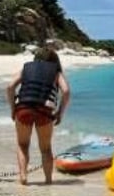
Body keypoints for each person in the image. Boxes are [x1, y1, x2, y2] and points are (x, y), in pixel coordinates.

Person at [7, 44, 70, 185]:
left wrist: (13, 108)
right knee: (46, 148)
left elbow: (10, 87)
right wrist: (60, 112)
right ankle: (48, 180)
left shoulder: (26, 68)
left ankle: (23, 176)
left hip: (23, 108)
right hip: (44, 111)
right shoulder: (56, 72)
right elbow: (65, 91)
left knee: (22, 145)